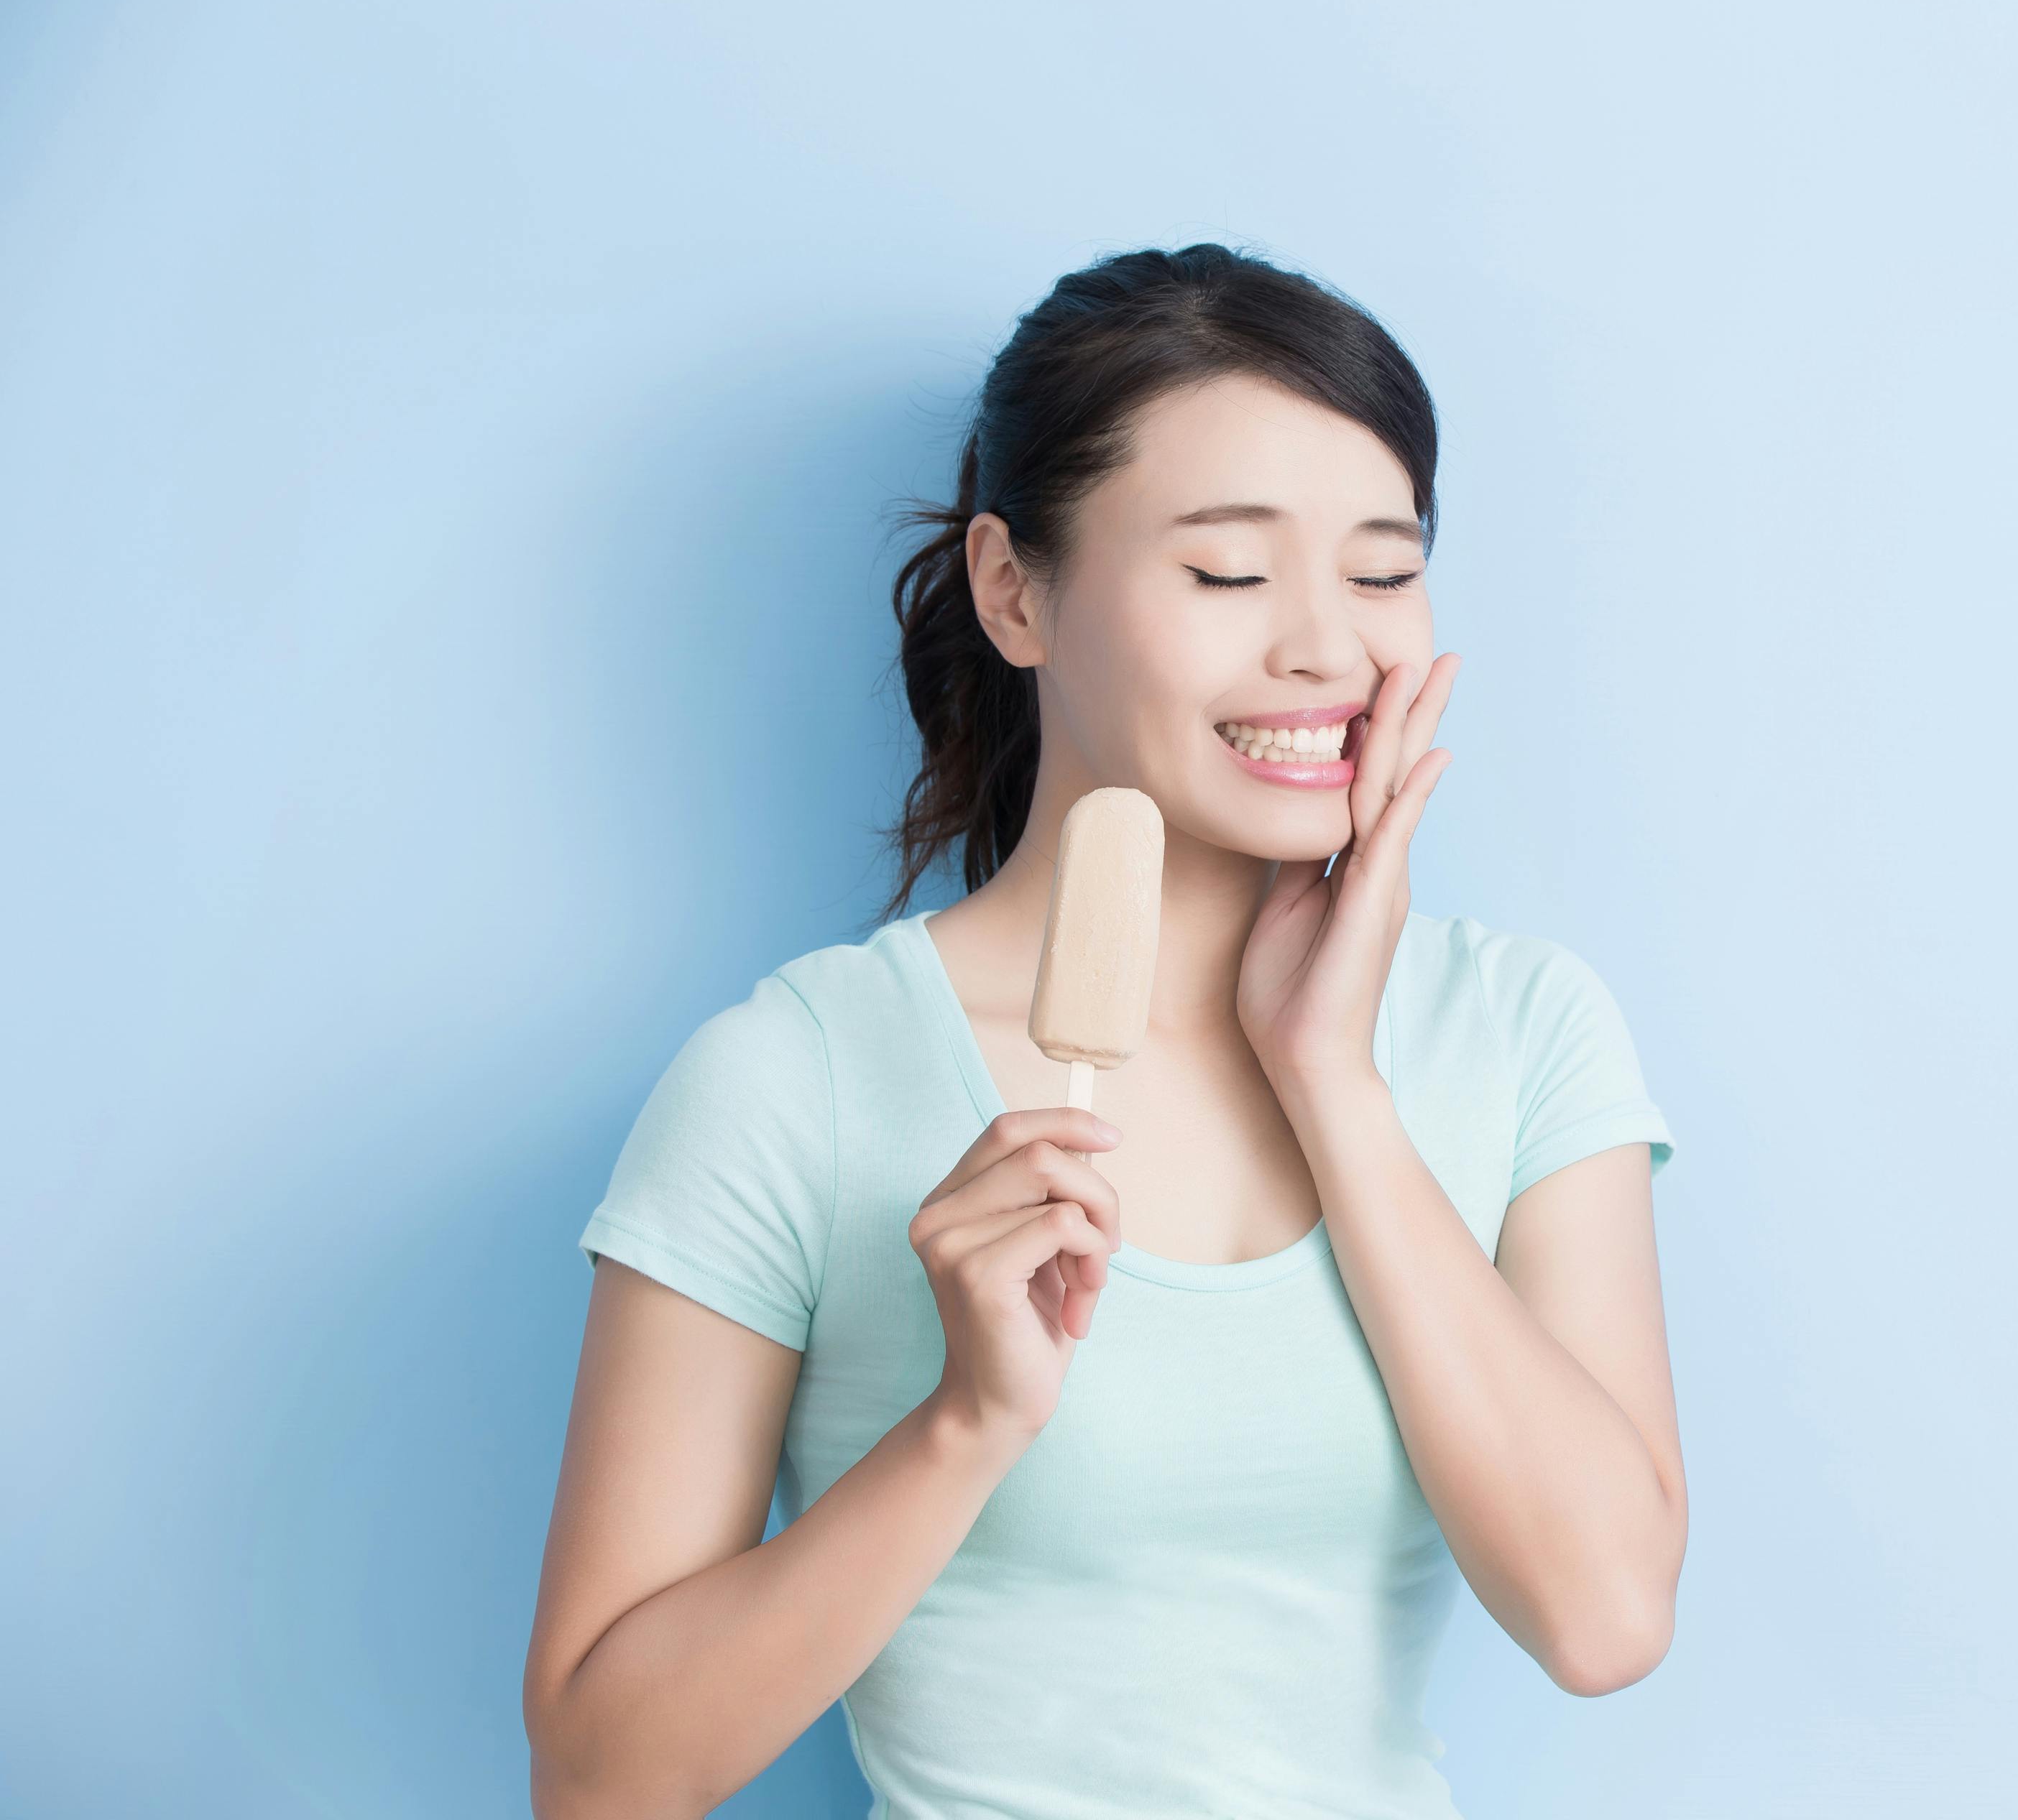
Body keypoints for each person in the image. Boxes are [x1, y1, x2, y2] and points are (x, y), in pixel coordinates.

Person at [522, 244, 1685, 1819]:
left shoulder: (1523, 1030)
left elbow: (1606, 1617)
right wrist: (967, 1423)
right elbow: (601, 1778)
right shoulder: (799, 1076)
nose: (1328, 649)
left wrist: (1331, 1080)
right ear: (1016, 591)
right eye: (1226, 573)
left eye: (1383, 567)